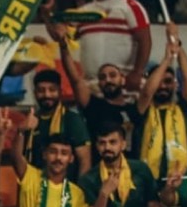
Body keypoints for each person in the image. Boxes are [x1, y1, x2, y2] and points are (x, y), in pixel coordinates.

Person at [53, 25, 142, 154]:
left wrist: (169, 56)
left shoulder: (134, 108)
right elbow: (75, 79)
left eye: (113, 75)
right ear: (99, 84)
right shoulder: (94, 106)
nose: (108, 80)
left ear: (123, 79)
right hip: (99, 165)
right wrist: (63, 45)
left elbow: (149, 90)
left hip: (130, 166)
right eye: (102, 77)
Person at [69, 0, 151, 93]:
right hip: (92, 87)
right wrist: (45, 13)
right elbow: (61, 35)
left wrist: (137, 73)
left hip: (124, 86)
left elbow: (145, 41)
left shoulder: (131, 7)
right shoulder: (83, 12)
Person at [78, 123, 163, 207]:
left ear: (123, 144)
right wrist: (104, 194)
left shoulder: (141, 170)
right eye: (102, 143)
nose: (107, 147)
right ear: (97, 146)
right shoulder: (88, 179)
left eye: (113, 142)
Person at [9, 123, 88, 207]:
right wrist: (21, 131)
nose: (58, 158)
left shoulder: (76, 193)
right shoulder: (30, 176)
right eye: (53, 152)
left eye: (64, 153)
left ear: (71, 159)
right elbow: (15, 156)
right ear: (45, 154)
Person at [135, 23, 187, 185]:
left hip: (180, 179)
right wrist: (167, 59)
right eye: (159, 82)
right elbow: (147, 92)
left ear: (175, 85)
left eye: (168, 81)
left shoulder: (184, 109)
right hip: (147, 182)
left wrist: (176, 43)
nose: (163, 86)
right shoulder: (142, 109)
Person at [21, 68, 91, 177]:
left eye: (52, 90)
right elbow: (21, 159)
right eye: (41, 90)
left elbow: (85, 161)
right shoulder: (31, 120)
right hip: (35, 183)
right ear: (35, 93)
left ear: (60, 91)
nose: (47, 95)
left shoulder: (72, 119)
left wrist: (80, 187)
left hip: (66, 184)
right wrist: (20, 131)